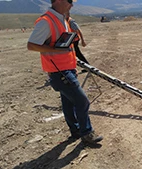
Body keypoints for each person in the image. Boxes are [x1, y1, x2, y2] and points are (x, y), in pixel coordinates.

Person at [27, 0, 103, 144]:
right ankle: (86, 133)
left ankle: (75, 131)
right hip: (59, 72)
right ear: (59, 1)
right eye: (69, 1)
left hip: (67, 69)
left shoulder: (61, 19)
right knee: (82, 101)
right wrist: (55, 49)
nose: (72, 5)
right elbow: (31, 45)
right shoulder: (46, 21)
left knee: (68, 102)